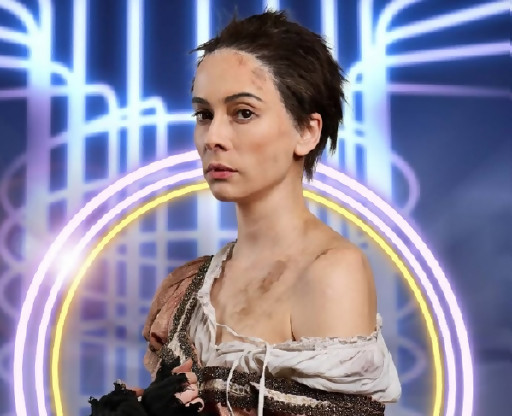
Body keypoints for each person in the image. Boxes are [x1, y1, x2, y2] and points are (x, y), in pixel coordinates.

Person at [90, 9, 401, 416]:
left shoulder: (330, 273)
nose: (214, 137)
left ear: (307, 131)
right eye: (204, 115)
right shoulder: (188, 287)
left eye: (243, 113)